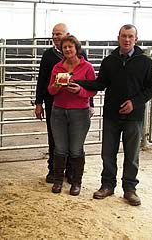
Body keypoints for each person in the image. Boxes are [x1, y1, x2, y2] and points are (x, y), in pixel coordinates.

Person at [75, 24, 152, 206]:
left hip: (134, 117)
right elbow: (100, 84)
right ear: (118, 37)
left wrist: (134, 103)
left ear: (136, 39)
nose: (127, 39)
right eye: (123, 36)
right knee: (108, 152)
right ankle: (107, 185)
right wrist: (77, 82)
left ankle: (129, 188)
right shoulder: (109, 61)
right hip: (112, 115)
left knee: (132, 154)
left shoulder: (145, 62)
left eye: (130, 36)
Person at [35, 23, 93, 184]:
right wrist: (38, 102)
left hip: (77, 104)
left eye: (59, 34)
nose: (55, 37)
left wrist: (91, 103)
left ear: (68, 35)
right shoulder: (49, 56)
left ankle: (72, 173)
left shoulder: (82, 57)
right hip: (54, 102)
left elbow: (89, 83)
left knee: (75, 142)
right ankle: (53, 170)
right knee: (55, 139)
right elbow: (42, 81)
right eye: (53, 34)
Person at [47, 35, 96, 195]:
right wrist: (56, 85)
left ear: (76, 48)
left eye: (70, 47)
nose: (67, 49)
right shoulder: (57, 68)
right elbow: (50, 91)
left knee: (76, 149)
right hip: (58, 111)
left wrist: (80, 91)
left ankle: (76, 182)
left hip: (80, 112)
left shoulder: (87, 67)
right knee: (60, 149)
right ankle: (58, 181)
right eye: (65, 47)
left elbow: (93, 90)